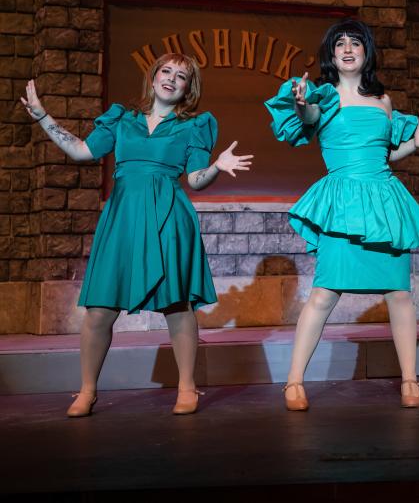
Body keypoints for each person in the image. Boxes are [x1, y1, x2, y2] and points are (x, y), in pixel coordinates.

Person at [21, 53, 252, 416]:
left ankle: (187, 387)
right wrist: (43, 117)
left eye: (182, 76)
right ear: (154, 75)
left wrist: (217, 168)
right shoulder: (122, 119)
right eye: (167, 71)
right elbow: (82, 151)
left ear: (188, 88)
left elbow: (194, 180)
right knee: (99, 309)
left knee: (177, 305)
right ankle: (86, 390)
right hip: (123, 218)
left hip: (168, 218)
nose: (172, 79)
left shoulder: (194, 125)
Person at [265, 19, 419, 410]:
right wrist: (301, 103)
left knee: (399, 294)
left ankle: (410, 381)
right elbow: (309, 120)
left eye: (355, 43)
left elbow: (386, 153)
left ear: (366, 52)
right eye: (340, 44)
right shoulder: (321, 96)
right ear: (331, 54)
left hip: (383, 202)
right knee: (324, 293)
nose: (347, 49)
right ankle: (294, 382)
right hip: (342, 203)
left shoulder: (384, 101)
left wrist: (417, 144)